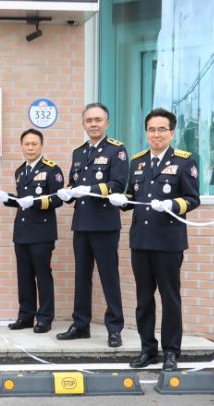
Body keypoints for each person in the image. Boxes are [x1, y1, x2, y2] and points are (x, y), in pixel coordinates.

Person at [108, 108, 200, 371]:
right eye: (151, 129)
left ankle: (171, 351)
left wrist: (172, 204)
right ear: (146, 132)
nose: (156, 134)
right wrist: (121, 201)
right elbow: (132, 196)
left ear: (172, 133)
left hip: (168, 242)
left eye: (162, 129)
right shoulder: (137, 162)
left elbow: (193, 199)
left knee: (170, 299)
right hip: (141, 241)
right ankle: (147, 349)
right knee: (144, 300)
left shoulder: (184, 161)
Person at [56, 103, 128, 347]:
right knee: (81, 277)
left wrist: (90, 189)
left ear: (107, 123)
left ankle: (114, 328)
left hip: (105, 223)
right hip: (81, 223)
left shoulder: (116, 150)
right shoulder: (79, 152)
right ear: (83, 124)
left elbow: (118, 185)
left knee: (109, 277)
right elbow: (74, 183)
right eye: (89, 120)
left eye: (98, 120)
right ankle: (81, 324)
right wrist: (68, 193)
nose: (94, 124)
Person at [0, 129, 64, 333]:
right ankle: (25, 316)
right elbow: (21, 201)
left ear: (41, 146)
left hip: (42, 232)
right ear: (22, 147)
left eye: (34, 144)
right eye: (27, 144)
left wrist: (35, 202)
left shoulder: (52, 169)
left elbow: (58, 199)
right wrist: (7, 198)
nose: (30, 148)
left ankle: (44, 318)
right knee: (24, 276)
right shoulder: (20, 171)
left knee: (42, 276)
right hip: (22, 232)